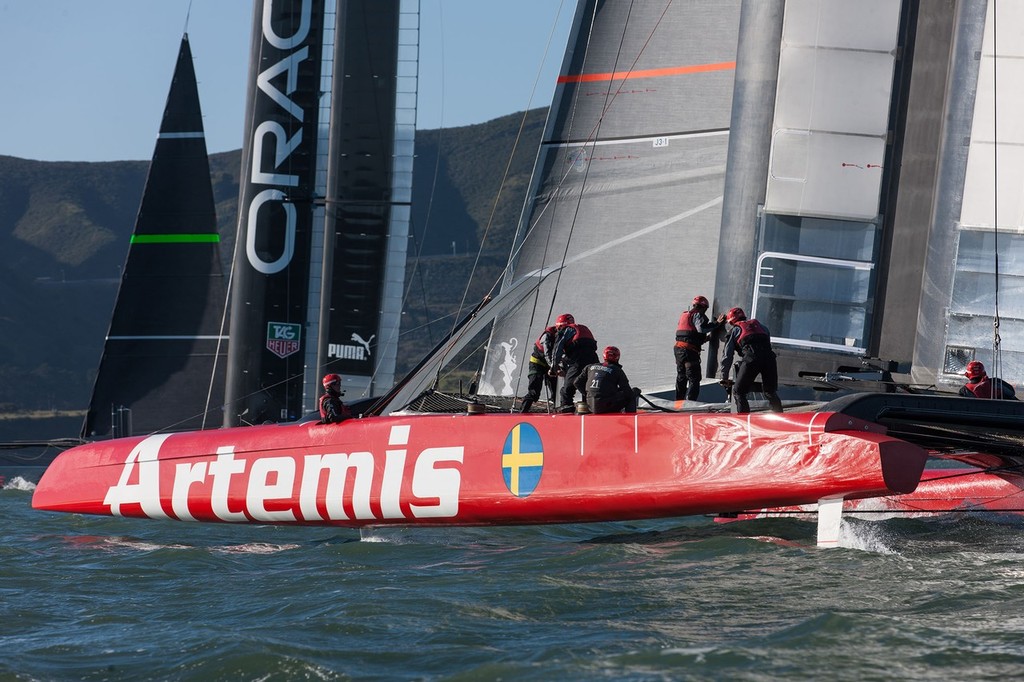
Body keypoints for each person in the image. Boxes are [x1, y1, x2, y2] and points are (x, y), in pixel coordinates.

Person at [719, 307, 783, 413]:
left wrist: (724, 376)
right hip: (770, 359)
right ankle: (780, 419)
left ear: (732, 321)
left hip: (751, 359)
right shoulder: (761, 327)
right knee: (770, 391)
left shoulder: (735, 330)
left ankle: (744, 420)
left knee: (739, 391)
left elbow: (727, 355)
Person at [674, 294, 724, 401]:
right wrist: (717, 324)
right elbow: (701, 329)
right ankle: (690, 402)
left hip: (678, 350)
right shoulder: (698, 315)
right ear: (703, 307)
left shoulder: (685, 315)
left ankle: (678, 402)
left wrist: (705, 339)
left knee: (681, 376)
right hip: (689, 351)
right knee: (694, 378)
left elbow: (688, 334)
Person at [549, 313, 599, 412]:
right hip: (593, 360)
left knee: (568, 386)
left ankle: (566, 405)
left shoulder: (565, 330)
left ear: (560, 326)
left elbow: (557, 350)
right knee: (587, 384)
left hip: (577, 361)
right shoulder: (584, 329)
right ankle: (589, 406)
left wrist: (554, 368)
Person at [574, 346, 639, 414]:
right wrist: (635, 392)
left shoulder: (589, 367)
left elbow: (576, 382)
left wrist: (587, 394)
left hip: (590, 406)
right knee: (633, 392)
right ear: (617, 357)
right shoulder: (617, 370)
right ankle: (631, 418)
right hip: (606, 406)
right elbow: (627, 391)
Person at [519, 324, 559, 413]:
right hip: (537, 363)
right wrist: (554, 367)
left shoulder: (564, 335)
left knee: (556, 392)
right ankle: (523, 412)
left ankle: (557, 411)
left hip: (549, 365)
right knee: (534, 391)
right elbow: (547, 353)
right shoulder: (547, 336)